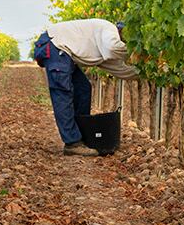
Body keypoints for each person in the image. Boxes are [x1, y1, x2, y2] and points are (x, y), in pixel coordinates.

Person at [32, 18, 136, 155]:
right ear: (121, 31)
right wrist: (135, 52)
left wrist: (145, 73)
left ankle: (82, 135)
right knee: (63, 92)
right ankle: (72, 143)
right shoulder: (110, 29)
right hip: (55, 46)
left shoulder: (102, 45)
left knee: (83, 89)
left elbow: (118, 69)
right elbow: (113, 48)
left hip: (64, 53)